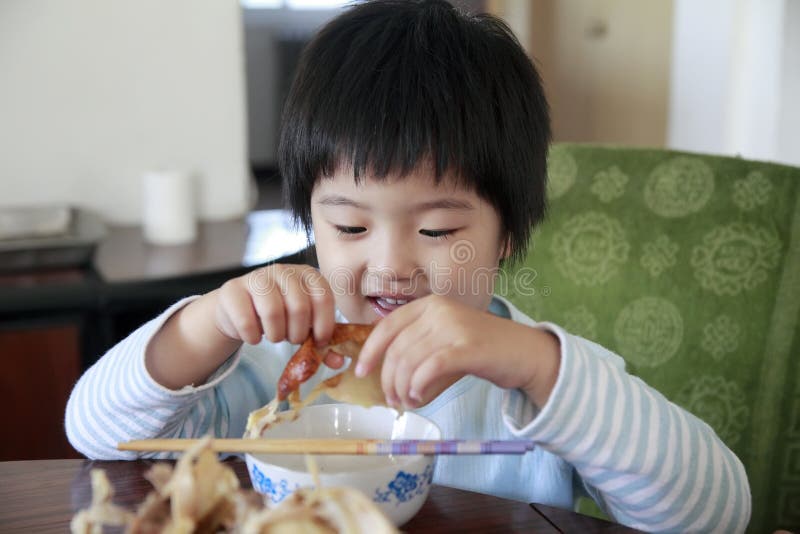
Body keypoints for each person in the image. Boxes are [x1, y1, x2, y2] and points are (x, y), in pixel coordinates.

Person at [65, 1, 750, 531]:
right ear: (309, 221)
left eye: (436, 228)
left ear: (507, 233)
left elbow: (715, 515)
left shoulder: (541, 386)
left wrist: (540, 365)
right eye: (350, 226)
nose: (390, 264)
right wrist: (208, 321)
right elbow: (94, 437)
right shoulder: (270, 368)